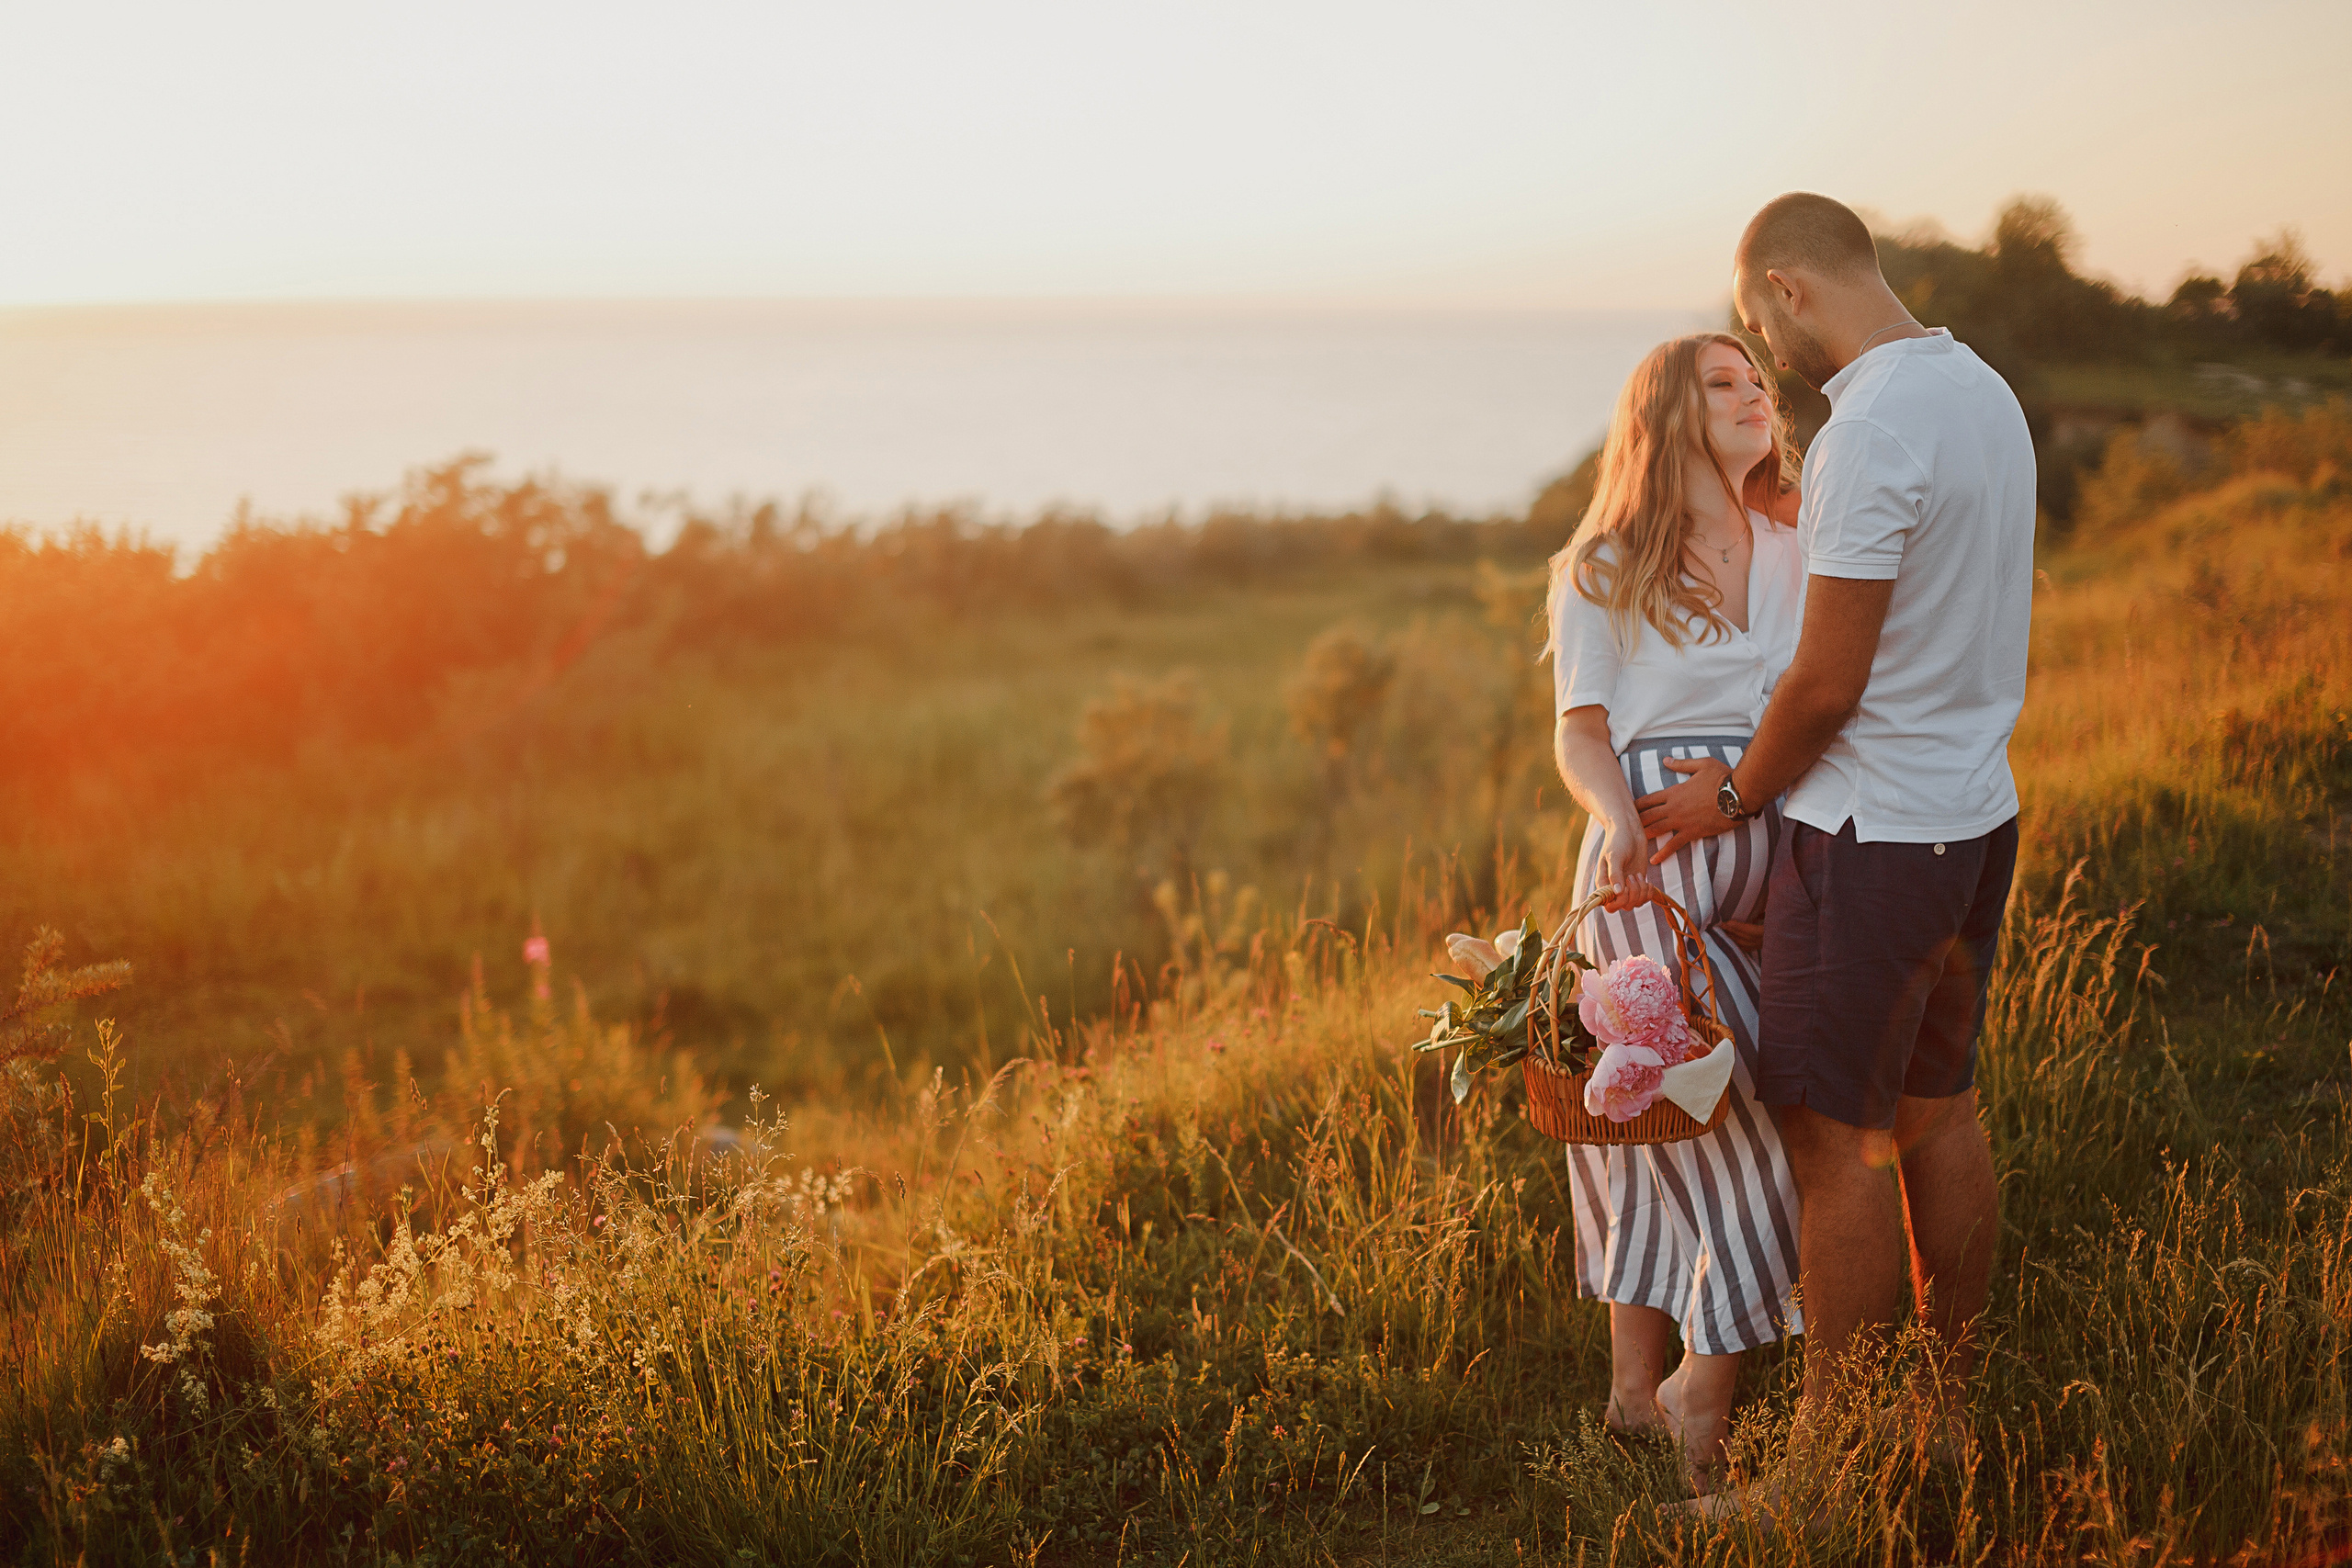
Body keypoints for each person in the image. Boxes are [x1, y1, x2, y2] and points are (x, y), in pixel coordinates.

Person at [1636, 192, 2034, 1507]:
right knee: (1938, 1112)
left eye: (1759, 326)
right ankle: (1942, 1415)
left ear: (1789, 289)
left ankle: (1824, 1472)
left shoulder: (1869, 425)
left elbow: (1826, 680)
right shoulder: (1981, 392)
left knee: (1834, 1143)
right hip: (1972, 813)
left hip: (1870, 837)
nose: (1768, 353)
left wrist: (1733, 794)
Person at [1544, 330, 1808, 1492]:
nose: (1753, 395)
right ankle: (1702, 1390)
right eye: (1721, 383)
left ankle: (1634, 1393)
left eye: (1758, 381)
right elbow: (1580, 730)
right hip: (1649, 863)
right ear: (1664, 413)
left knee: (1689, 1121)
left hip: (1779, 840)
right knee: (1713, 1114)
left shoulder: (1798, 545)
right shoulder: (1602, 564)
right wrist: (1613, 820)